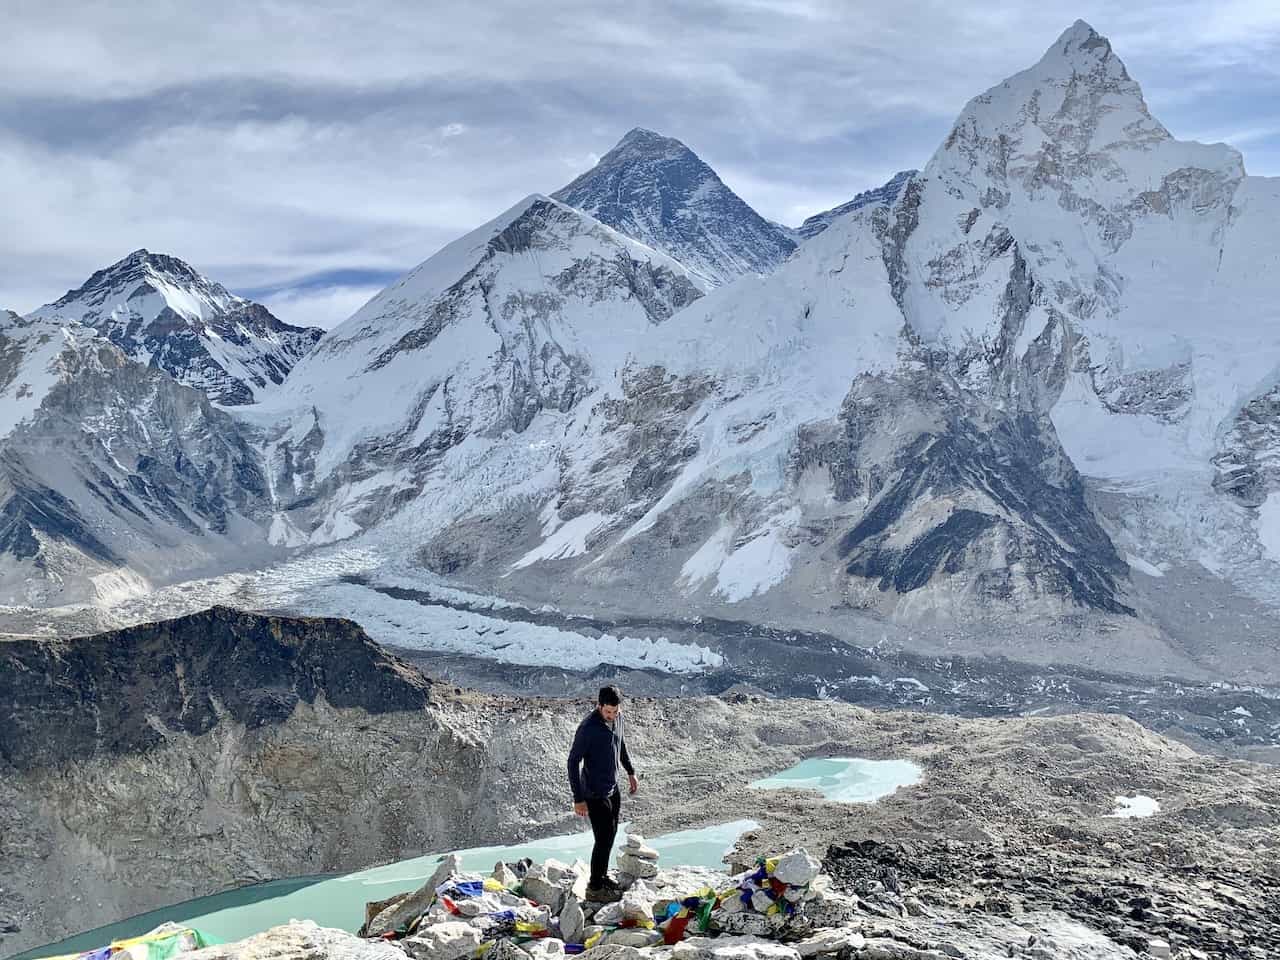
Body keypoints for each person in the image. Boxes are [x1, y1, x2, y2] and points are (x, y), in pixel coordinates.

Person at [567, 684, 639, 901]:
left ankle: (602, 875)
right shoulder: (588, 728)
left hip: (612, 787)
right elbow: (573, 762)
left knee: (611, 833)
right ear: (599, 706)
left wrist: (630, 771)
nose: (612, 715)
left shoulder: (618, 719)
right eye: (608, 711)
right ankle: (595, 888)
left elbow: (620, 743)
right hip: (593, 792)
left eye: (615, 711)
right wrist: (578, 799)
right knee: (603, 838)